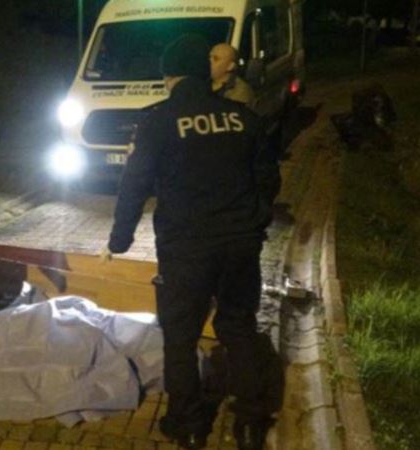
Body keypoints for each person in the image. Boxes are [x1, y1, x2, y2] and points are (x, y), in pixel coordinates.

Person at [103, 35, 282, 450]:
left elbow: (134, 184)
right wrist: (255, 221)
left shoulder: (158, 121)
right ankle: (251, 423)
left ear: (170, 78)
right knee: (238, 327)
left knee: (180, 336)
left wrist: (120, 239)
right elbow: (268, 179)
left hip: (186, 248)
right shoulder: (244, 118)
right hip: (240, 244)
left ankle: (186, 425)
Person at [209, 43, 255, 108]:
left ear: (230, 66)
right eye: (209, 57)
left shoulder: (240, 91)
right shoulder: (202, 83)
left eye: (215, 59)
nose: (209, 61)